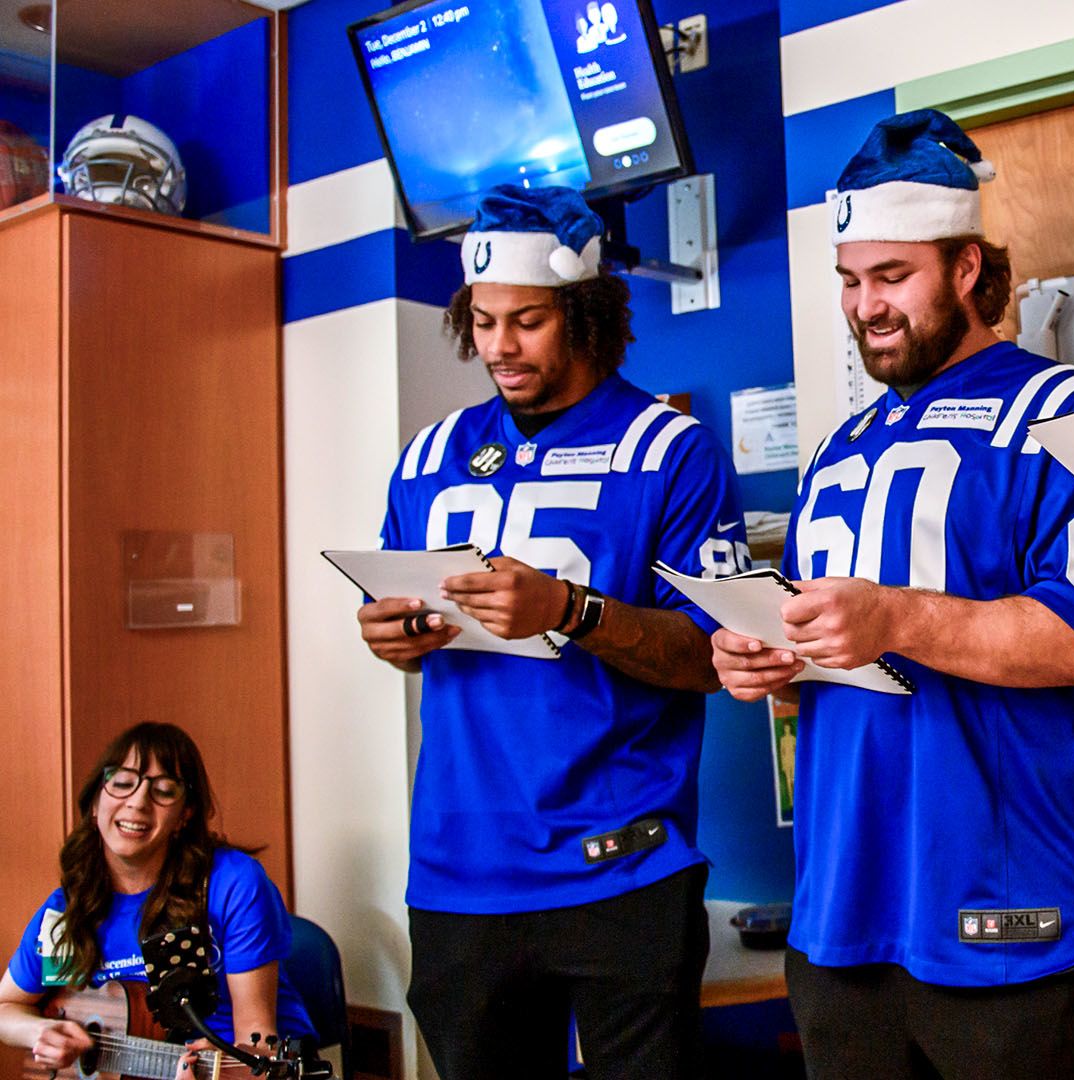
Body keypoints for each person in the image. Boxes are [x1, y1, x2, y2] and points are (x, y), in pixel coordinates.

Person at [711, 110, 1074, 1080]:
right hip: (839, 922)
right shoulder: (836, 451)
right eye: (850, 281)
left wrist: (893, 616)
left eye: (892, 276)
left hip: (1013, 924)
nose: (866, 306)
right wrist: (772, 662)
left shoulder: (1069, 415)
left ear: (964, 268)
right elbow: (832, 667)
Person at [357, 185, 746, 1079]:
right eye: (483, 321)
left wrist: (571, 610)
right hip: (460, 866)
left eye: (526, 321)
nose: (498, 346)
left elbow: (709, 659)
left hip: (620, 868)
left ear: (586, 313)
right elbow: (404, 613)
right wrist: (391, 635)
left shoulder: (670, 448)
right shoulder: (429, 454)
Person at [0, 723, 315, 1077]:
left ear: (185, 815)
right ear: (94, 803)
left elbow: (258, 1045)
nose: (137, 802)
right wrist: (41, 1032)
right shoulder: (69, 907)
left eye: (164, 791)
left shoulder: (234, 883)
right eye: (121, 783)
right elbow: (5, 1006)